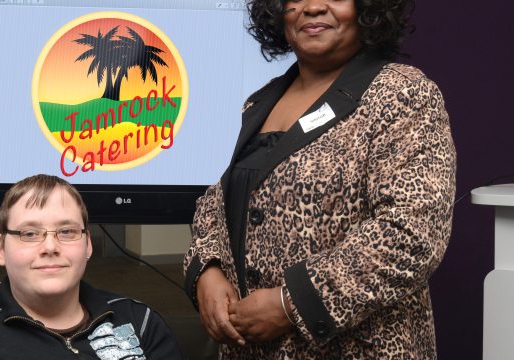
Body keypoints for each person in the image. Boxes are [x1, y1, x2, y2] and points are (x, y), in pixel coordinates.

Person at [183, 0, 456, 358]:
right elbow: (219, 203)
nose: (312, 7)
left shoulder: (402, 94)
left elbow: (411, 235)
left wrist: (290, 303)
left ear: (366, 9)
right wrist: (208, 271)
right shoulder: (261, 101)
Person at [0, 174, 182, 359]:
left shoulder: (141, 322)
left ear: (88, 245)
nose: (50, 247)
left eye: (67, 232)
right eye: (29, 234)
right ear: (0, 249)